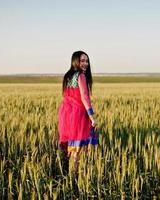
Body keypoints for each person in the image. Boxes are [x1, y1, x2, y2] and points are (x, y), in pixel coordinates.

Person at [58, 51, 98, 191]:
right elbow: (84, 97)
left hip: (65, 115)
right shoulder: (80, 76)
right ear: (75, 61)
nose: (85, 64)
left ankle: (66, 178)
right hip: (77, 116)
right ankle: (73, 184)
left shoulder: (68, 76)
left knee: (69, 150)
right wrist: (92, 116)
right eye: (82, 61)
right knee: (76, 152)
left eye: (87, 61)